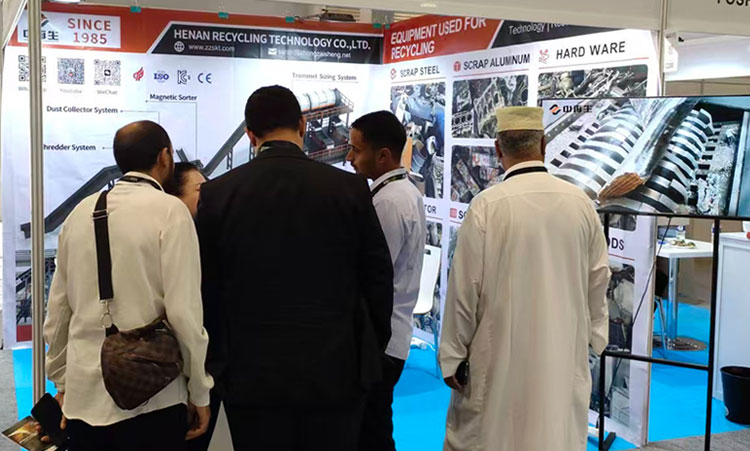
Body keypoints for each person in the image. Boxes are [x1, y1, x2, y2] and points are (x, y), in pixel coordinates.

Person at [196, 85, 394, 451]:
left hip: (251, 376)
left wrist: (218, 364)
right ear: (302, 125)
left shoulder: (218, 193)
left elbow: (207, 288)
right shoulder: (349, 188)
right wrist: (366, 349)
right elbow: (378, 279)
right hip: (336, 371)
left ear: (250, 134)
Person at [439, 107, 610, 451]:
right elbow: (598, 280)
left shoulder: (487, 206)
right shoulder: (580, 203)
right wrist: (594, 337)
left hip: (498, 358)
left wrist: (453, 355)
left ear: (498, 149)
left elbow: (464, 290)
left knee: (493, 434)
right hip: (562, 353)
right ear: (544, 144)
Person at [43, 120, 213, 451]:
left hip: (85, 398)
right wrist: (199, 390)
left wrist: (64, 382)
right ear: (165, 156)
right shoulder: (170, 212)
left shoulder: (79, 214)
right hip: (153, 396)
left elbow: (59, 312)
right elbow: (184, 314)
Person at [346, 111, 426, 451]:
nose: (349, 157)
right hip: (389, 335)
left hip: (381, 341)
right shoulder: (400, 192)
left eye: (356, 150)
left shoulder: (389, 202)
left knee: (371, 433)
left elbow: (374, 274)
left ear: (382, 155)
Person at [164, 162, 220, 451]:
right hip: (171, 375)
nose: (209, 198)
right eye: (200, 191)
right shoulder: (173, 243)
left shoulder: (208, 240)